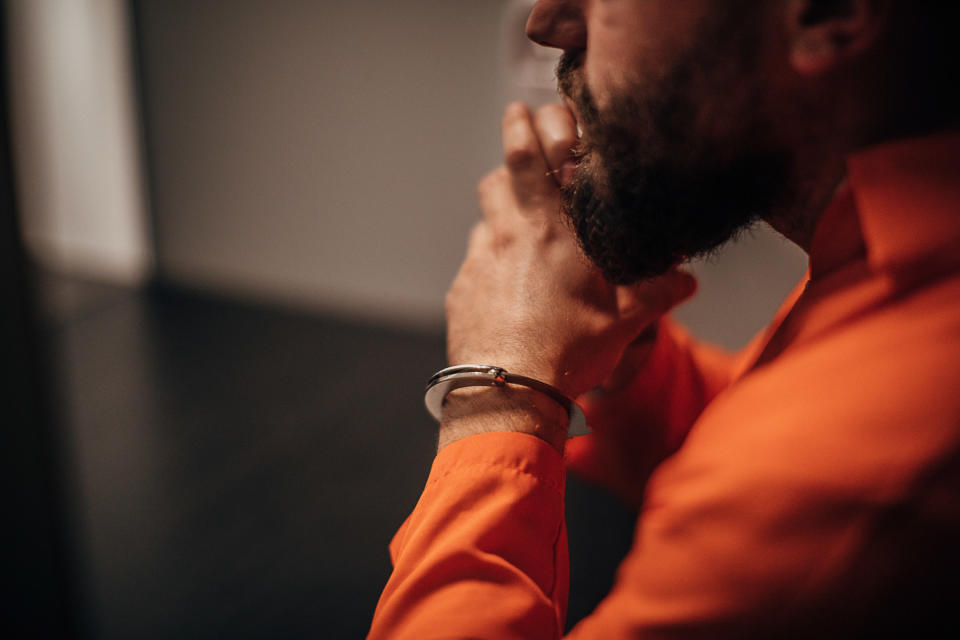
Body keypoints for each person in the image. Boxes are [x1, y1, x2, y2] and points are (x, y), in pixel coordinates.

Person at [370, 0, 960, 637]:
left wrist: (499, 393)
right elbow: (759, 425)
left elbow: (778, 480)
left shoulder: (840, 470)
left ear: (826, 12)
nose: (548, 22)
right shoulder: (898, 250)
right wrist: (631, 363)